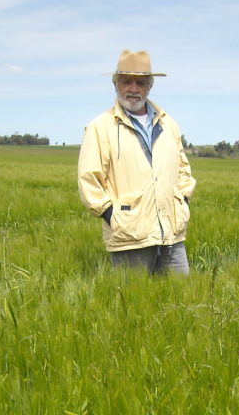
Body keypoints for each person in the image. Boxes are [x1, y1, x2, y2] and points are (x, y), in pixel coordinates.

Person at [78, 50, 196, 275]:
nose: (134, 89)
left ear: (149, 86)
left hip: (172, 232)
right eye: (127, 82)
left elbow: (184, 171)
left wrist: (182, 203)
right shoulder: (100, 127)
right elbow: (89, 181)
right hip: (130, 237)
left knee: (181, 304)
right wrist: (113, 217)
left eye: (140, 83)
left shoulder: (169, 124)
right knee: (133, 305)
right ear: (116, 85)